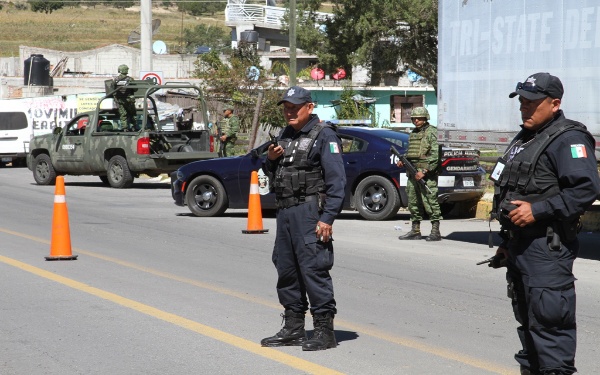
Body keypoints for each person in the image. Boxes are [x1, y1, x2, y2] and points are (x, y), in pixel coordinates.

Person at [491, 72, 600, 375]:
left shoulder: (569, 139)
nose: (524, 107)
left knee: (551, 328)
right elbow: (516, 190)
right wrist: (507, 243)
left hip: (547, 249)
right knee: (529, 329)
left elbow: (585, 189)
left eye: (531, 102)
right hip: (521, 246)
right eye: (522, 101)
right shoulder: (527, 137)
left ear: (554, 103)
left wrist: (537, 211)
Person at [260, 86, 346, 351]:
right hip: (285, 211)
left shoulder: (324, 135)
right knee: (286, 268)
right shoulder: (286, 134)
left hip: (310, 212)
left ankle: (324, 331)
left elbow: (337, 181)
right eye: (286, 107)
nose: (289, 112)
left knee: (314, 268)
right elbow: (272, 173)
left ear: (309, 107)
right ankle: (293, 327)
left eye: (294, 107)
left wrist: (327, 218)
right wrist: (271, 160)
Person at [396, 106, 442, 241]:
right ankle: (415, 230)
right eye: (414, 118)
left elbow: (436, 154)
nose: (416, 120)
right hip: (412, 173)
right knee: (413, 202)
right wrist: (404, 160)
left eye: (419, 118)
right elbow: (413, 152)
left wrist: (425, 171)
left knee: (430, 202)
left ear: (425, 118)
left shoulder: (432, 132)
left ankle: (435, 231)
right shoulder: (414, 133)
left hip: (426, 174)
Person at [113, 64, 136, 129]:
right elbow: (135, 89)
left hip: (120, 100)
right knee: (133, 114)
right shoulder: (130, 79)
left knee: (123, 115)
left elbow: (112, 88)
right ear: (125, 70)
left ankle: (125, 128)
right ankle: (133, 127)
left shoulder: (116, 79)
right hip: (129, 100)